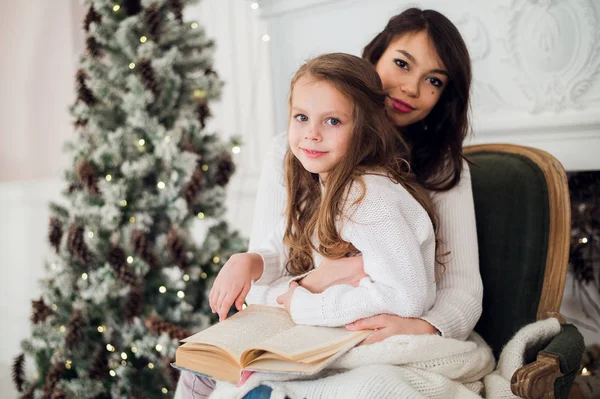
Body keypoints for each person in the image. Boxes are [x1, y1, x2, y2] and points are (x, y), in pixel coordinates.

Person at [179, 7, 483, 397]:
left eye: (434, 80)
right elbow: (276, 263)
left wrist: (424, 325)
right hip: (314, 321)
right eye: (402, 64)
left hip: (386, 331)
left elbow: (456, 288)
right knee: (202, 371)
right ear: (373, 58)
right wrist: (313, 278)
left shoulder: (412, 179)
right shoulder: (302, 154)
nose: (410, 87)